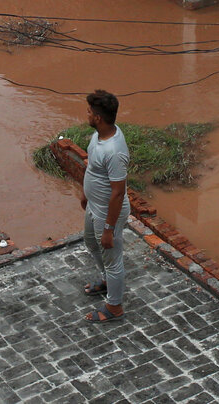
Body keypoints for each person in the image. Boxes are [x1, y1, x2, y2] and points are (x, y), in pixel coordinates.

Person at [80, 89, 130, 323]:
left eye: (89, 112)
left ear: (98, 117)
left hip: (108, 212)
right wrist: (84, 193)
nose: (87, 115)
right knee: (91, 243)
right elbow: (91, 167)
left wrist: (110, 228)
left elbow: (118, 192)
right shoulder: (98, 136)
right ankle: (108, 282)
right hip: (94, 205)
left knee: (112, 257)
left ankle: (114, 307)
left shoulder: (114, 151)